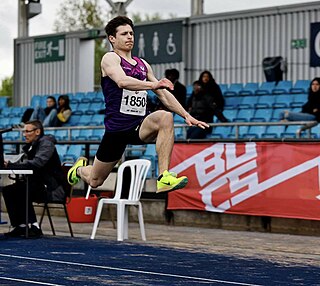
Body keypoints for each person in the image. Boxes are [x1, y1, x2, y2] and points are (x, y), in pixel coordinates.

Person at [67, 16, 209, 194]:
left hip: (139, 125)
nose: (130, 37)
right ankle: (79, 168)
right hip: (116, 130)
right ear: (112, 38)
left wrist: (186, 115)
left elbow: (163, 93)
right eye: (124, 34)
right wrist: (152, 85)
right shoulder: (110, 58)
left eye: (131, 33)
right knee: (95, 180)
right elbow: (122, 81)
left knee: (165, 117)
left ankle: (164, 177)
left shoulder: (143, 65)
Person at [2, 120, 67, 238]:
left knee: (22, 189)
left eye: (27, 131)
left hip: (52, 189)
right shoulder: (31, 146)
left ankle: (34, 226)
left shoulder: (46, 144)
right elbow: (23, 162)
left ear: (37, 131)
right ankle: (21, 226)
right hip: (38, 185)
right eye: (24, 131)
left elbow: (37, 163)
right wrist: (9, 164)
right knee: (8, 190)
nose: (24, 134)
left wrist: (12, 165)